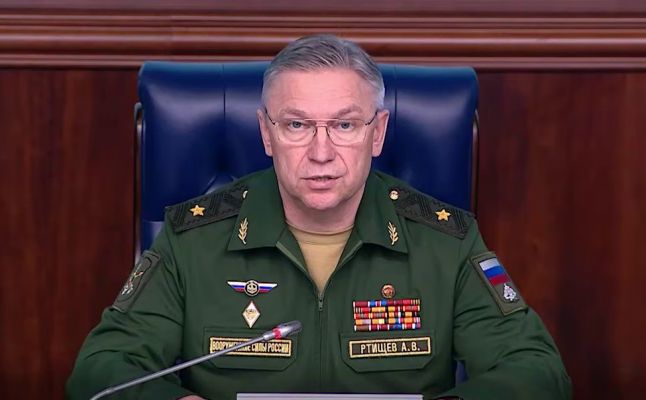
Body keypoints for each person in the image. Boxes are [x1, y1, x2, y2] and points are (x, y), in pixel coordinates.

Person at [67, 34, 571, 400]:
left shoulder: (446, 240)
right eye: (297, 125)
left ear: (378, 133)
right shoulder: (192, 238)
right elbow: (99, 369)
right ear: (266, 134)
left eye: (345, 125)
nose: (322, 152)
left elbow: (537, 372)